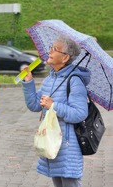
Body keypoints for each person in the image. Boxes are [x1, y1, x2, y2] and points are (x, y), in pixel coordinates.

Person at [21, 35, 91, 187]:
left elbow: (80, 113)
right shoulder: (51, 78)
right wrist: (29, 83)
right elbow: (34, 105)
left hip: (67, 145)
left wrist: (54, 105)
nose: (50, 51)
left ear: (65, 57)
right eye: (51, 47)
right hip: (52, 142)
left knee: (69, 183)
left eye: (55, 49)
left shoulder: (75, 81)